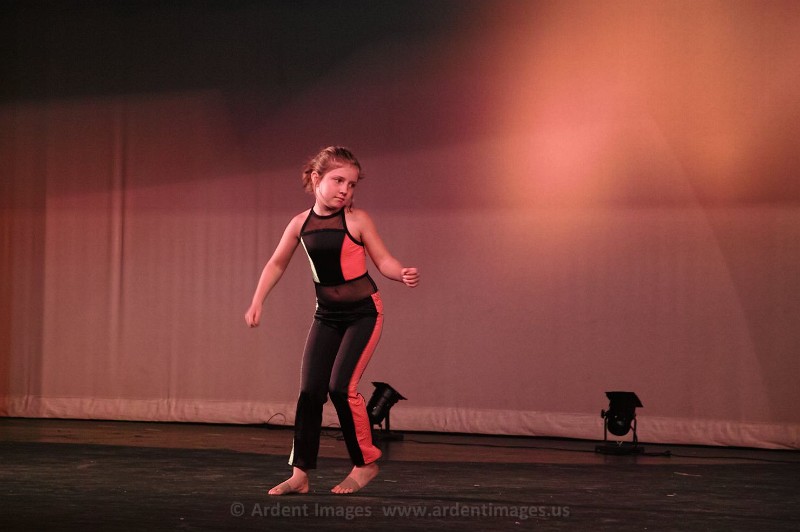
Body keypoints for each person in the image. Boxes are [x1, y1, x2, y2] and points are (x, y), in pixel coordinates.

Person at [244, 146, 419, 495]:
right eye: (338, 181)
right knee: (310, 391)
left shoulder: (357, 220)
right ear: (316, 178)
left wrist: (400, 272)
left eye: (351, 185)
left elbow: (383, 261)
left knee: (341, 388)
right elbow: (276, 263)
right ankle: (300, 474)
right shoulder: (300, 224)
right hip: (326, 315)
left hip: (363, 313)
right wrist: (257, 300)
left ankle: (365, 464)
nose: (345, 190)